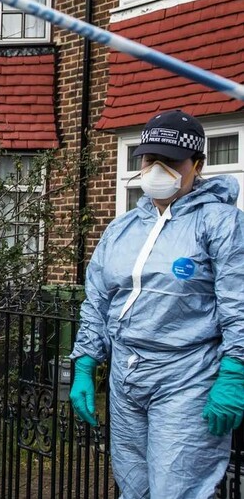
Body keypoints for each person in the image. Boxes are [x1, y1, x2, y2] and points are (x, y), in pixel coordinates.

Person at [70, 110, 244, 498]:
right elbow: (98, 299)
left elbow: (240, 303)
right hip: (126, 379)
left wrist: (235, 373)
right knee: (134, 487)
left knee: (176, 490)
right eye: (151, 160)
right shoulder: (123, 228)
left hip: (187, 377)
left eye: (171, 161)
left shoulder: (221, 223)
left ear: (197, 165)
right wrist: (85, 363)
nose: (158, 169)